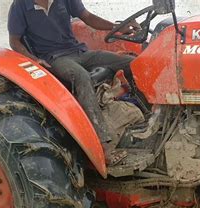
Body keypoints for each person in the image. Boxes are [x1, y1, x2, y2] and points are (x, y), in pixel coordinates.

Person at [8, 0, 140, 165]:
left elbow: (88, 17)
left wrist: (117, 28)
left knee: (131, 63)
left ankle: (147, 113)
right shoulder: (20, 6)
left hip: (78, 51)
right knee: (81, 77)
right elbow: (14, 41)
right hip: (54, 58)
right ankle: (104, 146)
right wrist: (34, 60)